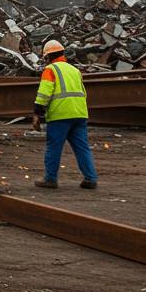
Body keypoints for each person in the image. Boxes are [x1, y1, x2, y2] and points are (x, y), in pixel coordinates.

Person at [33, 39, 98, 189]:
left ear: (48, 56)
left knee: (54, 147)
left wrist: (37, 113)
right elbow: (83, 93)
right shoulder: (75, 70)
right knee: (82, 147)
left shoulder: (50, 70)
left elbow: (44, 94)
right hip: (79, 114)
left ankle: (50, 179)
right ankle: (90, 178)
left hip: (60, 115)